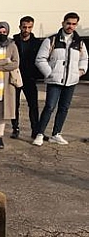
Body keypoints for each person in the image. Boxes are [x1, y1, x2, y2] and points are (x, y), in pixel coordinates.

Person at [33, 12, 88, 146]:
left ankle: (56, 134)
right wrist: (49, 73)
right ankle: (39, 134)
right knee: (50, 107)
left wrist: (80, 72)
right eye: (68, 23)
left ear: (76, 25)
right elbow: (40, 59)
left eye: (74, 24)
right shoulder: (51, 40)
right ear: (63, 23)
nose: (70, 26)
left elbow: (84, 58)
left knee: (64, 108)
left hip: (71, 81)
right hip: (55, 80)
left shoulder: (79, 42)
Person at [10, 16, 43, 140]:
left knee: (33, 105)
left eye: (29, 27)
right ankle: (15, 128)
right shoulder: (13, 41)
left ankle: (35, 130)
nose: (26, 29)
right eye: (24, 27)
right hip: (15, 76)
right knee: (14, 105)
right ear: (20, 27)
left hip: (30, 78)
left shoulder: (37, 43)